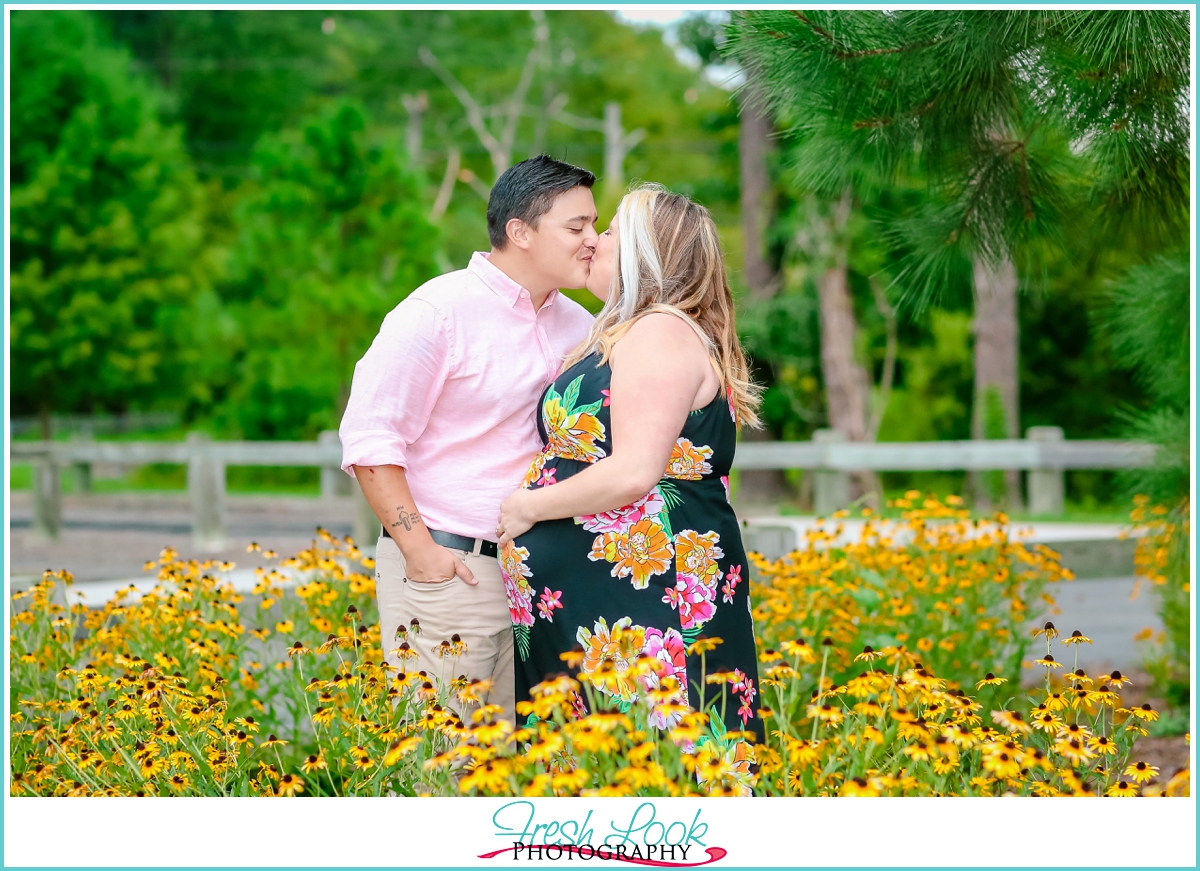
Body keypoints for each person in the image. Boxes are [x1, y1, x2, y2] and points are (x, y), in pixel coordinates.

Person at [494, 183, 765, 769]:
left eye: (610, 230)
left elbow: (636, 470)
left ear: (647, 251)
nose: (593, 240)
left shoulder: (661, 331)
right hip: (597, 612)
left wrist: (529, 509)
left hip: (644, 607)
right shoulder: (625, 331)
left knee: (660, 773)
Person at [339, 155, 598, 724]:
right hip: (454, 567)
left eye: (594, 226)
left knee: (524, 764)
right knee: (446, 764)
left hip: (545, 579)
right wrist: (421, 553)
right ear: (520, 232)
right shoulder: (437, 312)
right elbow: (370, 439)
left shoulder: (581, 325)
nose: (593, 240)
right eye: (577, 227)